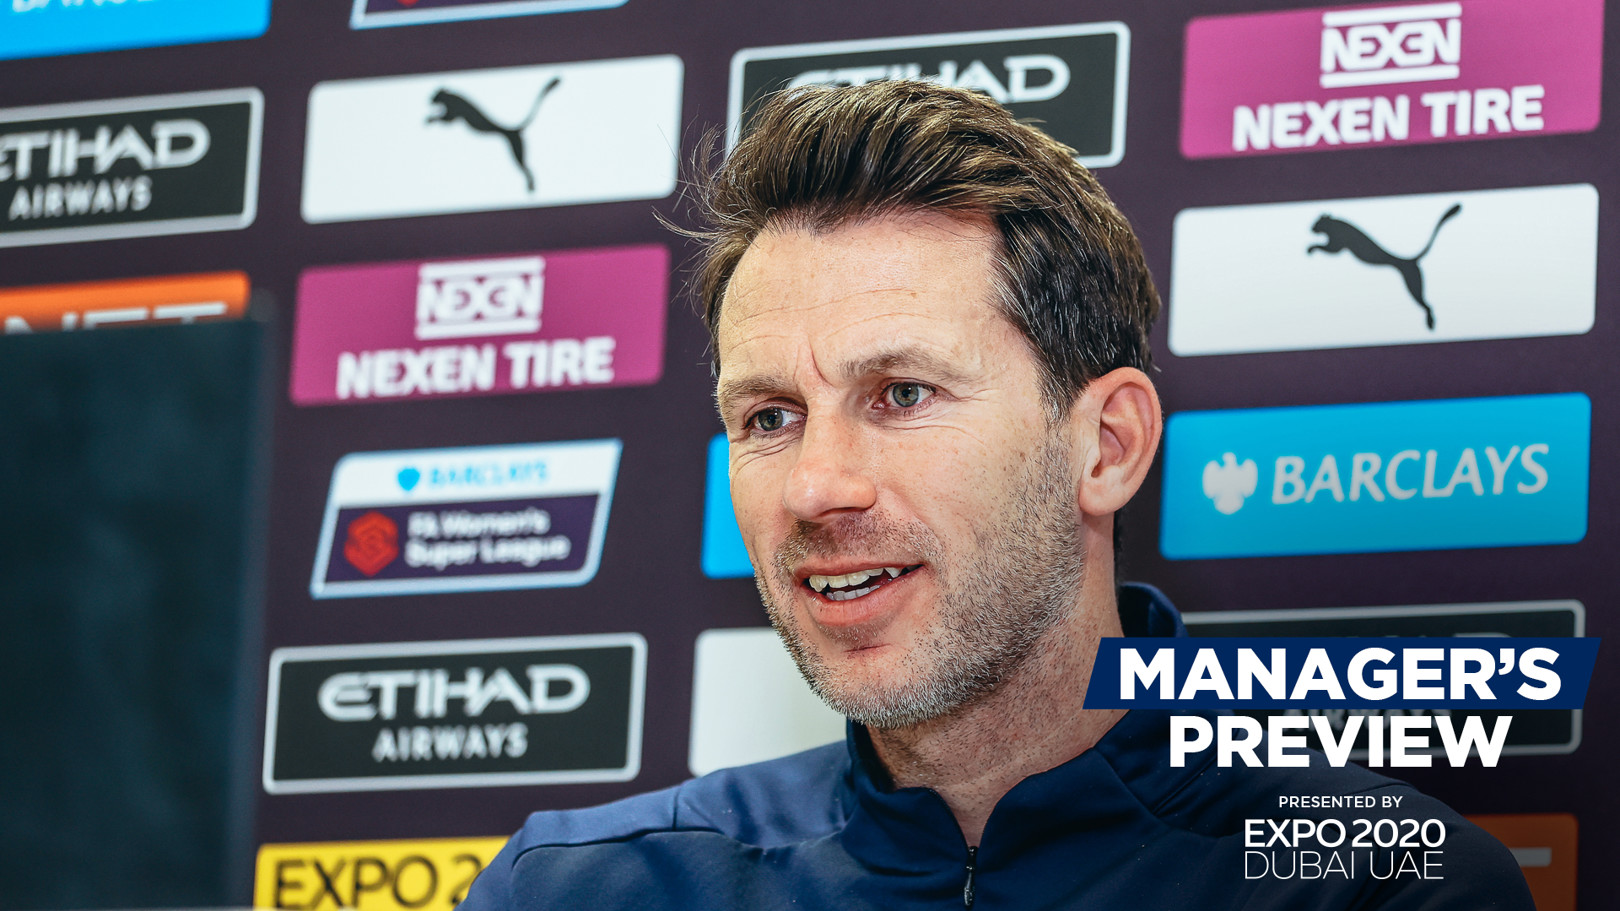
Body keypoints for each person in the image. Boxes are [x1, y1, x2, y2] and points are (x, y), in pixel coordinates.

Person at [459, 80, 1532, 909]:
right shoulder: (574, 888)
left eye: (903, 393)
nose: (818, 485)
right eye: (771, 416)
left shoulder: (1380, 886)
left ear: (1105, 446)